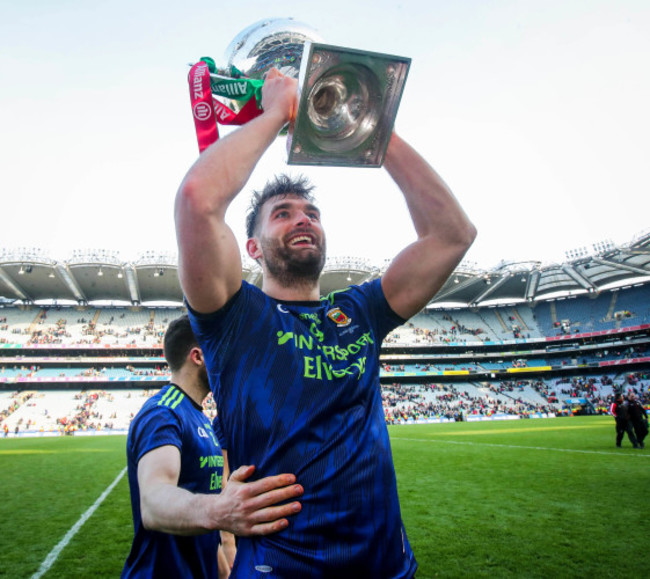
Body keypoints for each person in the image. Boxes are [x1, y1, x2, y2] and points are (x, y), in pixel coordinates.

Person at [175, 68, 476, 577]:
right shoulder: (233, 315)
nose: (303, 218)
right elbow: (197, 201)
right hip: (280, 569)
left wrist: (364, 129)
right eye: (283, 213)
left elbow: (453, 234)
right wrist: (277, 114)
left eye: (312, 212)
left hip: (386, 567)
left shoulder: (359, 312)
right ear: (251, 247)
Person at [122, 315, 303, 578]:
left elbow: (201, 499)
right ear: (198, 357)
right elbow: (153, 503)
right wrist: (224, 510)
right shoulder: (163, 413)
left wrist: (222, 568)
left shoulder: (198, 416)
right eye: (219, 349)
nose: (228, 360)